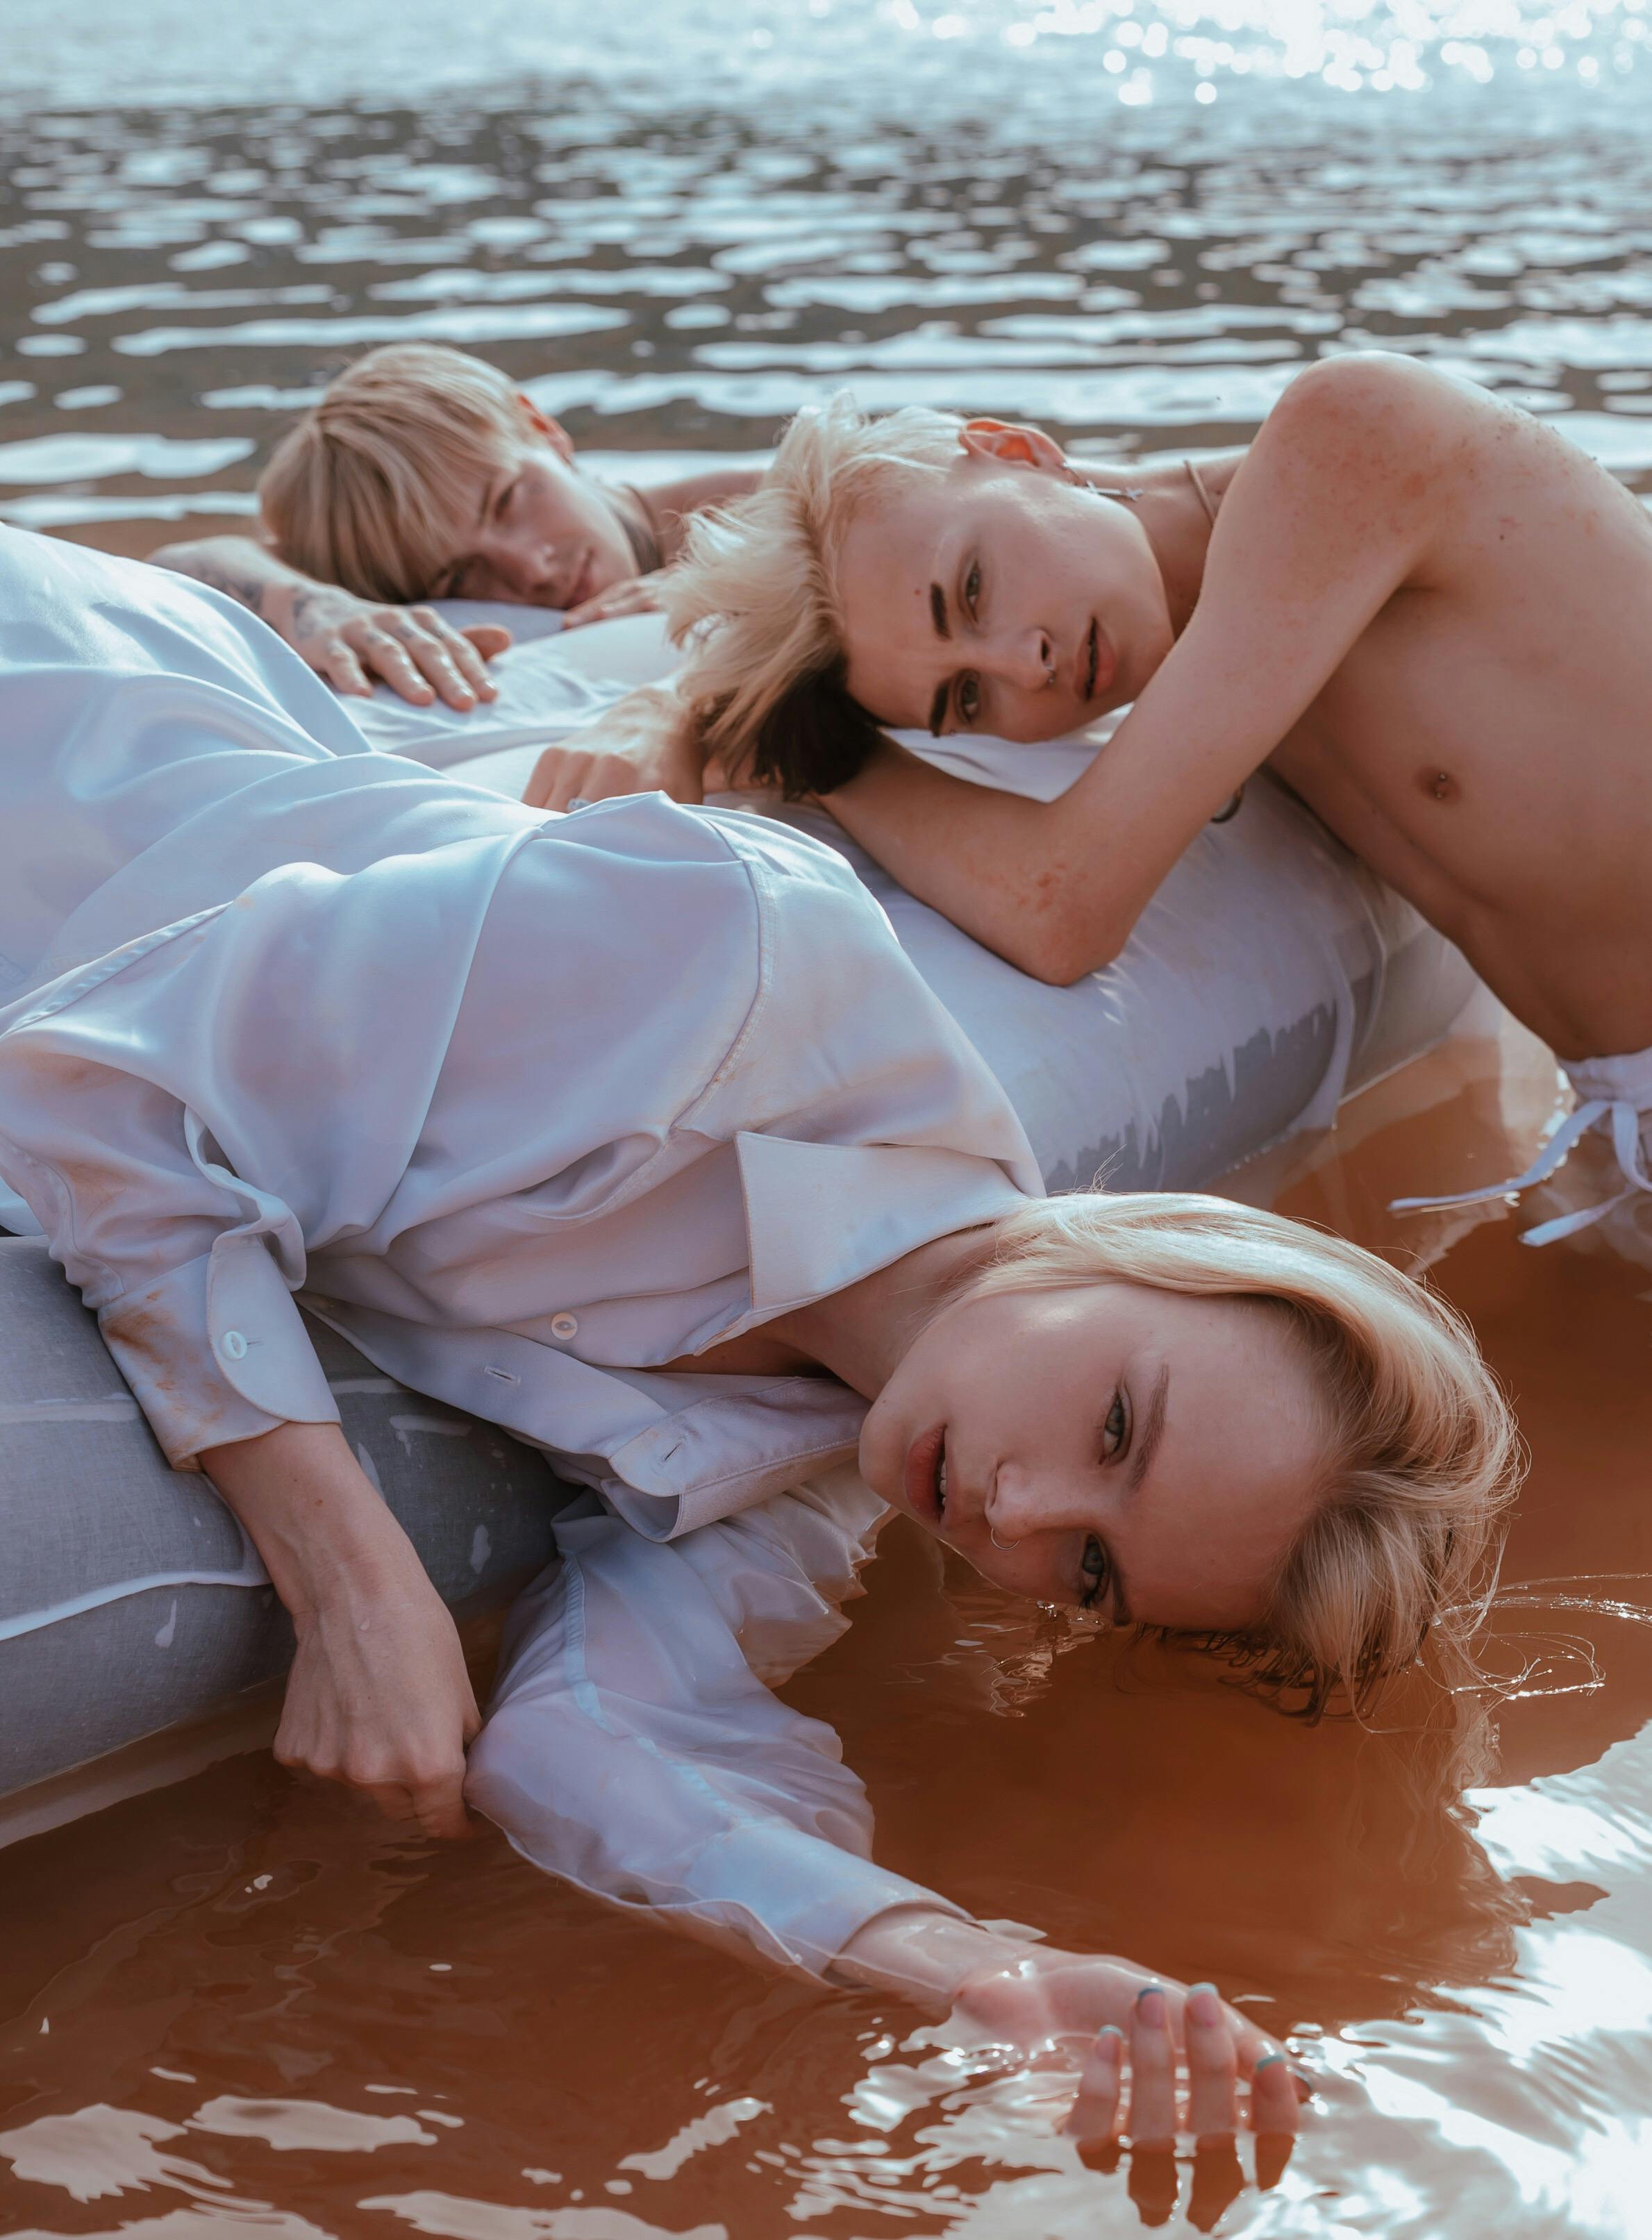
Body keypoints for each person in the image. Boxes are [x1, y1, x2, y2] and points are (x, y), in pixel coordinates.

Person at [0, 528, 1515, 2130]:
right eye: (1114, 1426)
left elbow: (609, 1744)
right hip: (58, 754)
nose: (1018, 1508)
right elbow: (93, 1084)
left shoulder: (800, 1469)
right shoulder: (724, 954)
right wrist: (349, 1569)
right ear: (1146, 1254)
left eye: (1087, 1565)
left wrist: (980, 1969)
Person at [526, 360, 1652, 1252]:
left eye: (970, 587)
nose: (1027, 665)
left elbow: (1062, 909)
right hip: (1613, 1110)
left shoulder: (1346, 436)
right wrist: (701, 697)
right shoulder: (1225, 636)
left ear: (1018, 450)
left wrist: (798, 749)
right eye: (961, 700)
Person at [148, 343, 760, 712]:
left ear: (541, 428)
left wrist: (729, 585)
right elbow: (183, 564)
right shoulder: (378, 566)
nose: (529, 567)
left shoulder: (772, 497)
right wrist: (315, 603)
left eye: (506, 501)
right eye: (462, 573)